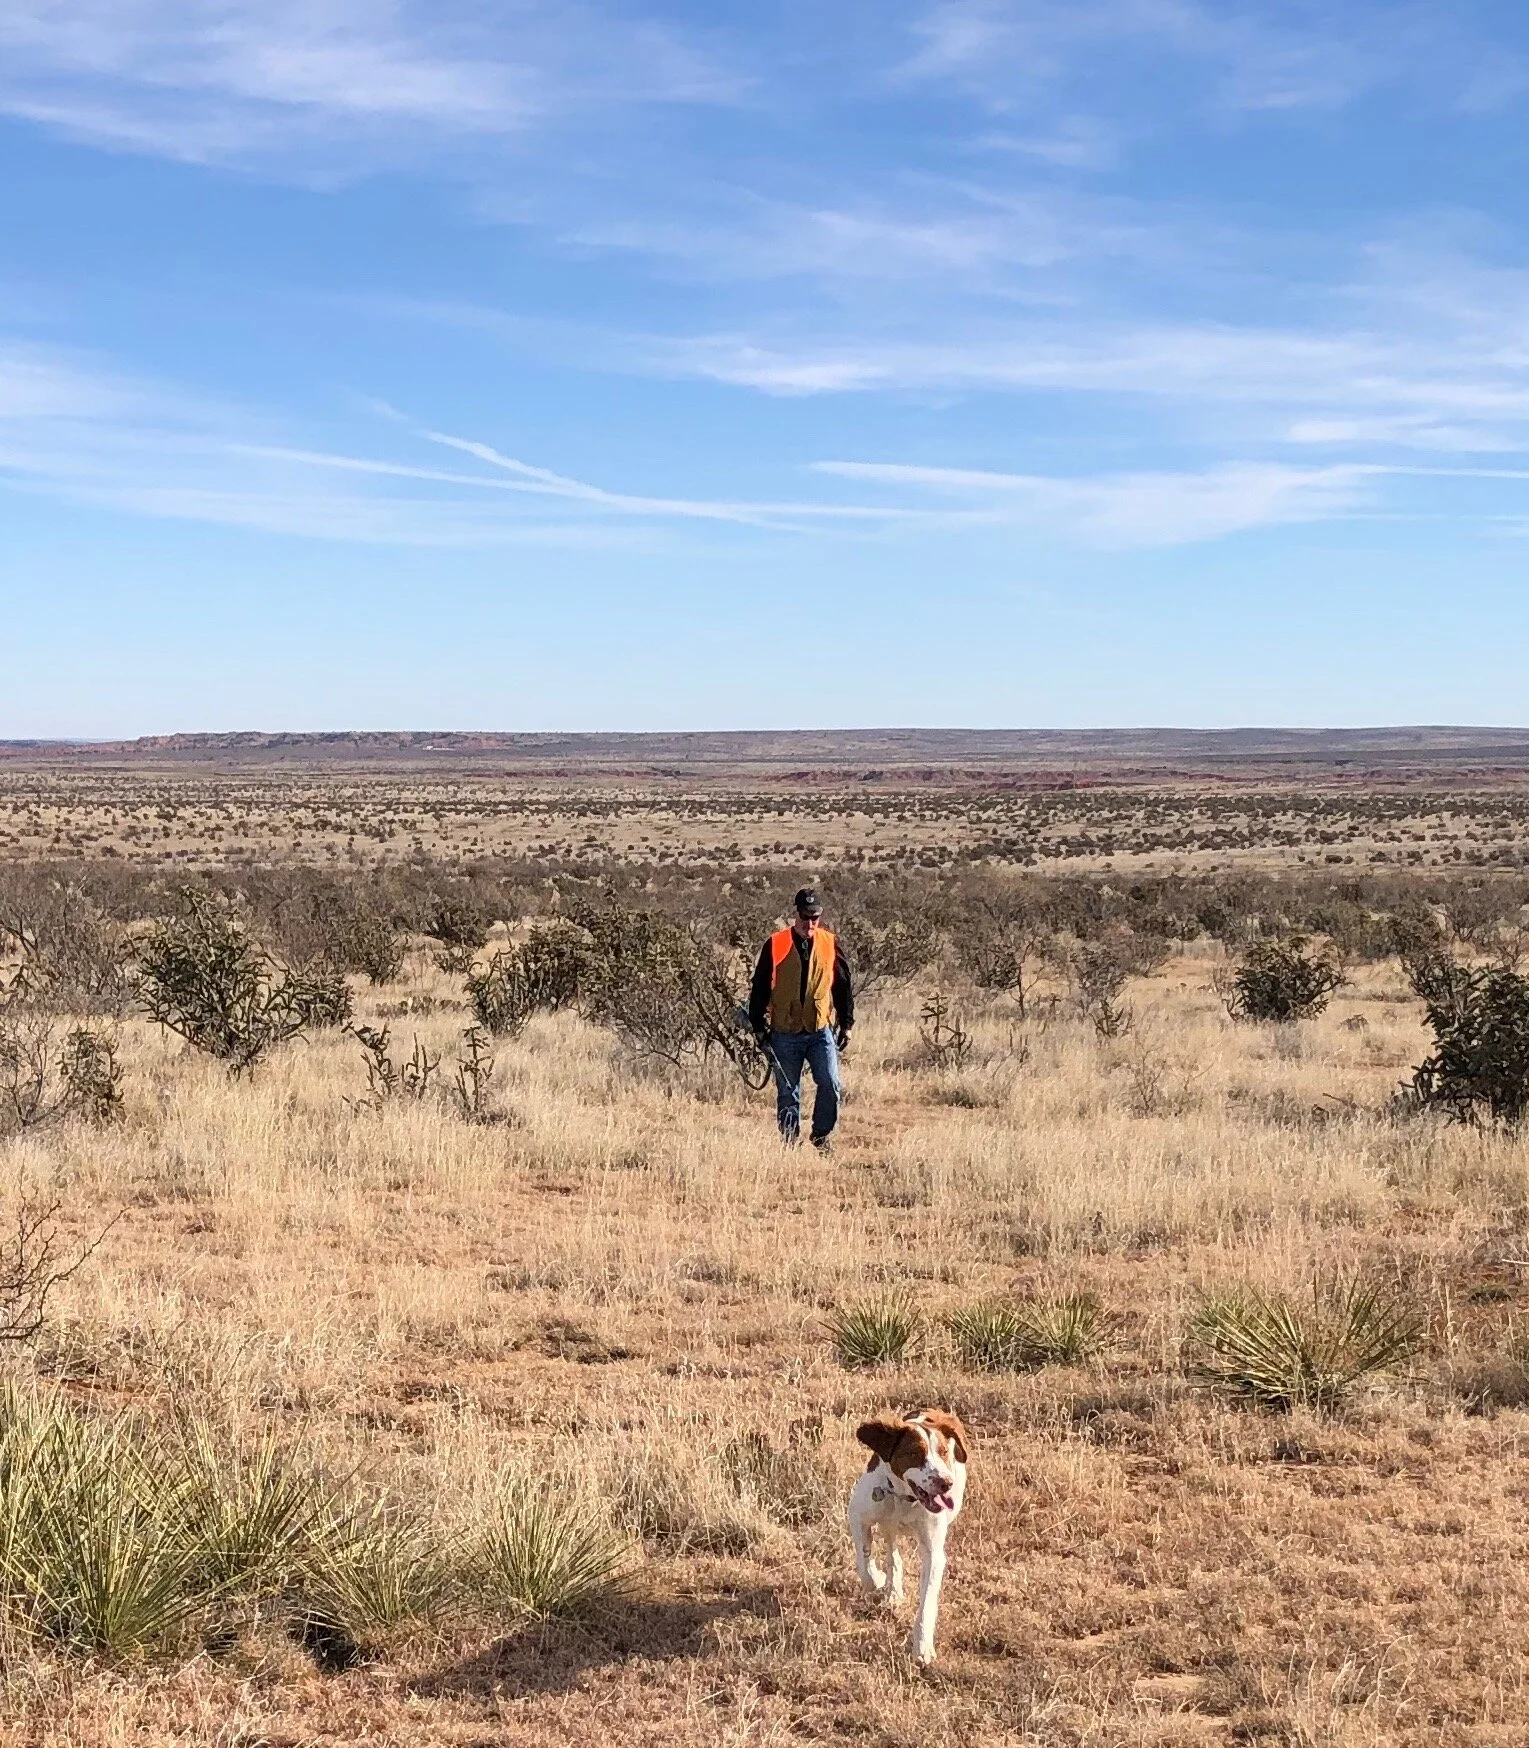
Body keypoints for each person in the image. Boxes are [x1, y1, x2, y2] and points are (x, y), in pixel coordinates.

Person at [748, 887, 854, 1150]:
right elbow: (760, 986)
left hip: (819, 1029)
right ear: (795, 914)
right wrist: (758, 1027)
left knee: (830, 1083)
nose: (810, 923)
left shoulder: (829, 942)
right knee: (788, 1092)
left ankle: (821, 1135)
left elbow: (842, 985)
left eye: (815, 917)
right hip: (784, 1031)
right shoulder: (776, 943)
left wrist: (847, 1024)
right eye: (805, 917)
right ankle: (789, 1143)